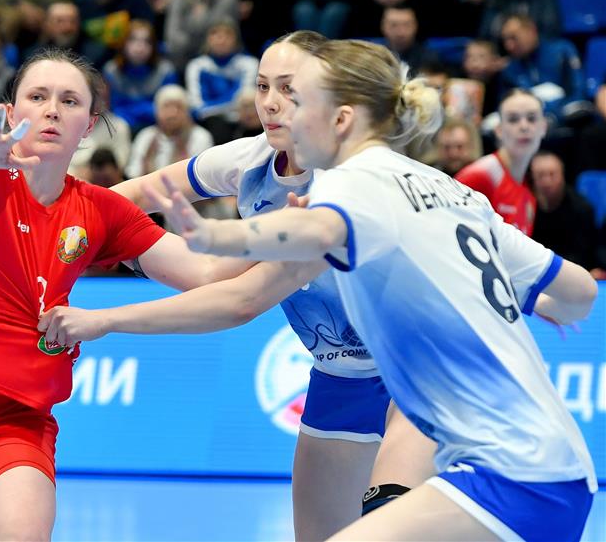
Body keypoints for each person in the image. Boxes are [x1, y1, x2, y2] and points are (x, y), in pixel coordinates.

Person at [143, 38, 597, 541]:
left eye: (299, 101)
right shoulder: (451, 189)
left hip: (507, 473)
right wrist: (532, 302)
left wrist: (209, 234)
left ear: (340, 118)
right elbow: (581, 292)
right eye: (267, 90)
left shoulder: (348, 182)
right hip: (558, 463)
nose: (282, 112)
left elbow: (306, 240)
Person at [0, 49, 255, 542]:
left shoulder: (100, 210)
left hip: (8, 415)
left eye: (69, 101)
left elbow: (206, 271)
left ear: (89, 125)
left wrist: (298, 230)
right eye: (38, 97)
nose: (52, 110)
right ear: (11, 112)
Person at [42, 32, 438, 541]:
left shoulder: (352, 187)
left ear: (329, 97)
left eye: (288, 89)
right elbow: (135, 196)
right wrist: (50, 225)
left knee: (390, 526)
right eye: (262, 86)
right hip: (340, 376)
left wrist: (104, 318)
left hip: (419, 372)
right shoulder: (250, 160)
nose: (270, 103)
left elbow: (241, 300)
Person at [456, 88, 545, 235]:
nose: (524, 126)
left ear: (544, 127)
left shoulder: (529, 193)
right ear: (499, 130)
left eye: (531, 118)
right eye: (513, 119)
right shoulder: (479, 176)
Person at [499, 14, 587, 126]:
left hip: (565, 120)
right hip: (528, 124)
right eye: (505, 40)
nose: (509, 46)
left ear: (531, 31)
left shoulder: (562, 51)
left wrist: (553, 113)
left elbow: (578, 91)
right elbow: (506, 105)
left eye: (513, 37)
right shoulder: (509, 68)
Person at [185, 19, 259, 144]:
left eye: (227, 34)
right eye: (215, 33)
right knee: (217, 127)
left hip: (242, 120)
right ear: (207, 39)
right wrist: (224, 110)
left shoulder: (249, 64)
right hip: (208, 122)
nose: (221, 39)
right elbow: (196, 105)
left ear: (236, 39)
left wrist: (212, 109)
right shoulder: (196, 66)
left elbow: (244, 101)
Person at [102, 19, 178, 133]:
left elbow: (169, 108)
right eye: (133, 39)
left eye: (147, 41)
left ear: (154, 46)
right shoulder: (111, 70)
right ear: (123, 43)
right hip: (120, 128)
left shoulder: (166, 71)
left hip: (159, 127)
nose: (140, 47)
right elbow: (111, 109)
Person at [126, 84, 213, 180]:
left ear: (187, 112)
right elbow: (133, 174)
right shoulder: (146, 136)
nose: (172, 114)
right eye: (166, 107)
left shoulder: (200, 136)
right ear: (157, 111)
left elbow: (202, 176)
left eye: (179, 107)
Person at [531, 150, 599, 272]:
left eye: (552, 174)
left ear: (562, 176)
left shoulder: (581, 209)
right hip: (532, 269)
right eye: (540, 175)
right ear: (532, 177)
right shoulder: (524, 206)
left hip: (571, 270)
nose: (547, 181)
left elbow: (585, 255)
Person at [380, 6, 442, 77]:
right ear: (383, 26)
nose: (401, 32)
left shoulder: (430, 58)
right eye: (394, 25)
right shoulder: (375, 56)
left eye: (406, 25)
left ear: (415, 26)